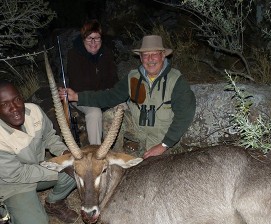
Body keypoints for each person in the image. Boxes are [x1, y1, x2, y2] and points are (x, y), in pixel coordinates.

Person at [59, 35, 196, 159]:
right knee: (110, 116)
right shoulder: (133, 77)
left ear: (163, 56)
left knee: (154, 173)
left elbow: (184, 116)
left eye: (154, 54)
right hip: (138, 131)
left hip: (162, 139)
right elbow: (110, 96)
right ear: (140, 58)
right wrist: (78, 96)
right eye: (145, 55)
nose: (150, 59)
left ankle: (142, 153)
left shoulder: (176, 81)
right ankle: (115, 158)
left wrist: (164, 145)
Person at [0, 80, 78, 224]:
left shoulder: (34, 111)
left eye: (17, 99)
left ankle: (54, 203)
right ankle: (6, 212)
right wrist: (58, 168)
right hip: (12, 184)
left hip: (36, 168)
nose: (14, 107)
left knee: (79, 167)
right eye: (4, 104)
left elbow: (50, 137)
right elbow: (17, 174)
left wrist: (65, 154)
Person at [66, 19, 119, 145]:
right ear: (83, 38)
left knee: (123, 107)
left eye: (97, 38)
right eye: (90, 38)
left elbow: (113, 80)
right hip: (80, 98)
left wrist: (110, 95)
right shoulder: (74, 55)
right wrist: (103, 94)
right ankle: (96, 152)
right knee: (94, 113)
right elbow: (79, 86)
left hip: (102, 96)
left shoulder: (106, 54)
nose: (94, 42)